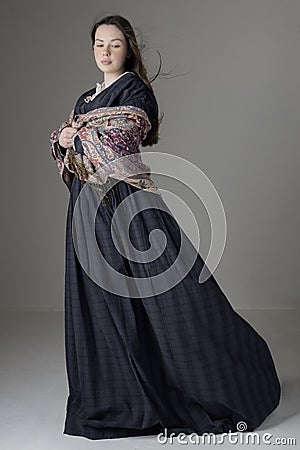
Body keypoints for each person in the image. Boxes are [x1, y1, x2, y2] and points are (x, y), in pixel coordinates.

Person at [49, 15, 281, 441]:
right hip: (86, 207)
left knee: (167, 292)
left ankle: (223, 379)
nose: (105, 51)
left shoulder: (135, 91)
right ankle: (120, 400)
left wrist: (73, 136)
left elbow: (121, 137)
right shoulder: (85, 98)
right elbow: (69, 145)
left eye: (114, 45)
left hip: (126, 203)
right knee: (100, 301)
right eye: (99, 43)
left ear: (129, 49)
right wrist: (64, 139)